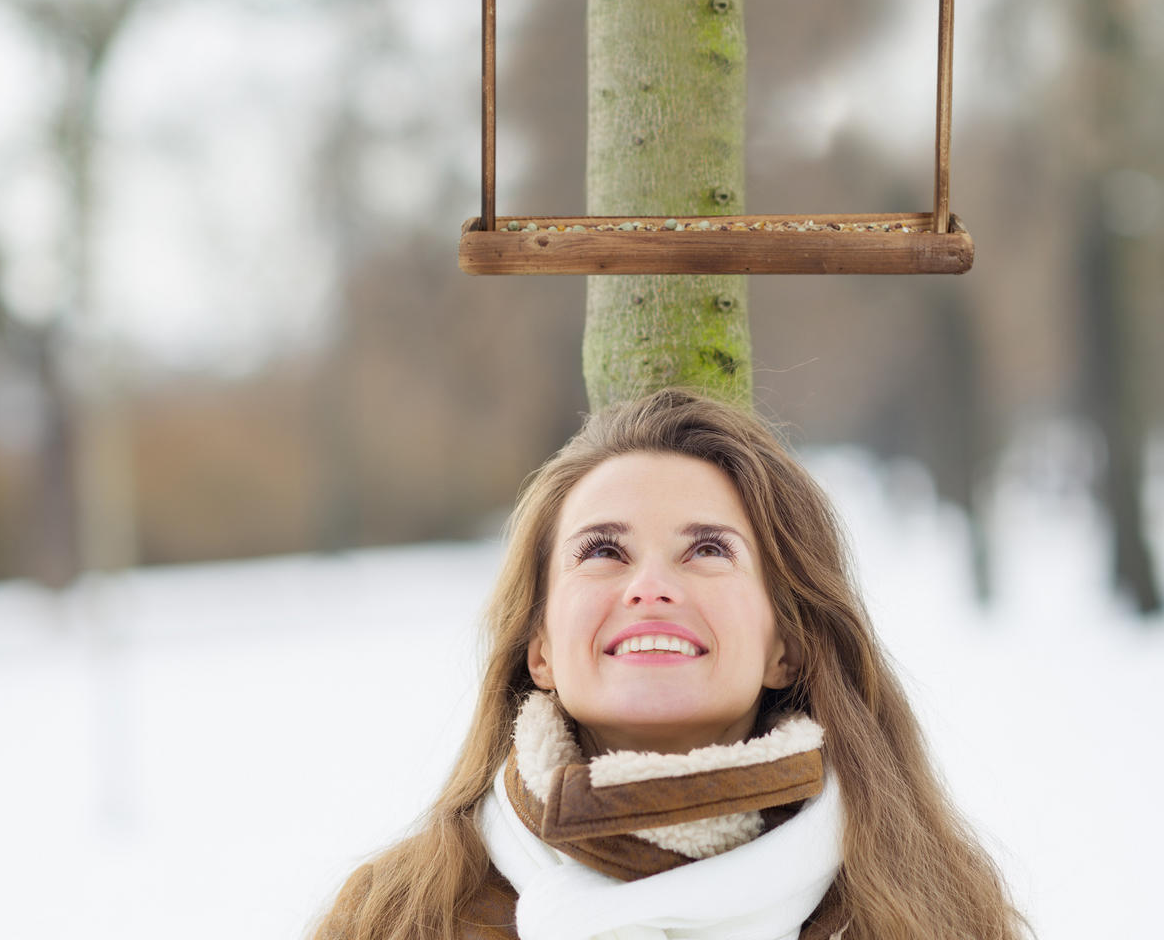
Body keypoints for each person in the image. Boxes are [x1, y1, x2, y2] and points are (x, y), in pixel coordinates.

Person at [313, 388, 1026, 940]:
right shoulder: (399, 917)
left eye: (707, 550)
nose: (650, 587)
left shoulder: (933, 911)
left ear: (789, 646)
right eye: (602, 551)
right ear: (541, 649)